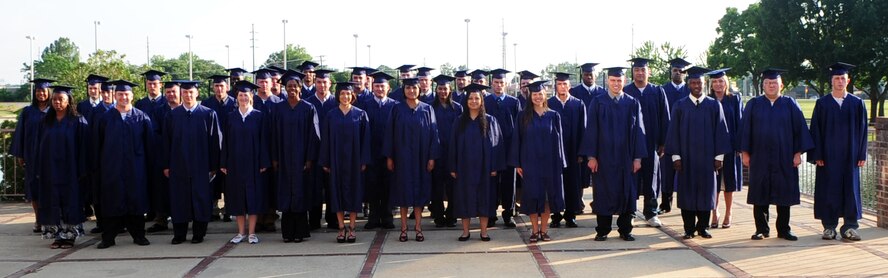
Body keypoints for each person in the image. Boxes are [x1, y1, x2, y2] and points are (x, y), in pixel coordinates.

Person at [740, 68, 814, 241]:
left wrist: (798, 153)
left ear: (781, 84)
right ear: (763, 85)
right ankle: (761, 229)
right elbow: (745, 131)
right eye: (767, 83)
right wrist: (745, 152)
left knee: (784, 194)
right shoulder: (754, 104)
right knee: (760, 194)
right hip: (760, 156)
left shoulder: (790, 104)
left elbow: (800, 131)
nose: (771, 86)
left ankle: (784, 229)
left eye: (774, 83)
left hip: (785, 156)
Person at [664, 66, 731, 239]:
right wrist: (676, 156)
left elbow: (721, 132)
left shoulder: (714, 105)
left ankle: (703, 227)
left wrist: (719, 157)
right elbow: (673, 133)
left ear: (704, 84)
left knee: (706, 192)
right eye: (693, 82)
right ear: (688, 84)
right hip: (686, 159)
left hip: (707, 159)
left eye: (699, 82)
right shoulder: (680, 106)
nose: (696, 85)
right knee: (686, 193)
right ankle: (688, 229)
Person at [580, 67, 646, 242]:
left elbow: (639, 131)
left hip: (626, 158)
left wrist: (638, 158)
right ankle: (602, 230)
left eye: (619, 80)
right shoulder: (598, 102)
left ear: (624, 81)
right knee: (604, 193)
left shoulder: (632, 103)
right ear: (608, 81)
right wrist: (591, 157)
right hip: (604, 158)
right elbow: (591, 130)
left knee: (627, 192)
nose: (616, 84)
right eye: (613, 80)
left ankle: (625, 230)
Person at [808, 62, 868, 241]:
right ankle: (829, 227)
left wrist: (862, 153)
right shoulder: (822, 103)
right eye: (836, 78)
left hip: (850, 157)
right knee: (829, 190)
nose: (840, 81)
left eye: (843, 78)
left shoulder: (857, 103)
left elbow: (863, 130)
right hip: (828, 157)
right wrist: (817, 154)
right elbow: (816, 130)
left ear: (848, 81)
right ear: (831, 81)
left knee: (850, 189)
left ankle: (850, 226)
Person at [94, 80, 153, 249]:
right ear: (115, 96)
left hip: (136, 167)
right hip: (111, 168)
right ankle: (108, 237)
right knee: (112, 201)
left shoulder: (141, 117)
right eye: (120, 94)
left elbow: (149, 145)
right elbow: (98, 144)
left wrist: (148, 167)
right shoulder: (105, 118)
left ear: (132, 96)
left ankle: (139, 235)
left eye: (126, 94)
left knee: (136, 201)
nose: (123, 97)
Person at [162, 80, 222, 244]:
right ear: (181, 94)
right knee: (179, 198)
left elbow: (215, 141)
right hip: (178, 164)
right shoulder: (172, 115)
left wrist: (213, 165)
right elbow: (166, 142)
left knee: (200, 198)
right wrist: (166, 165)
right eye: (185, 92)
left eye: (191, 92)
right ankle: (179, 234)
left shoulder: (208, 114)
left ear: (197, 93)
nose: (188, 95)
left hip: (201, 165)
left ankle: (198, 233)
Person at [383, 77, 440, 242]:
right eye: (408, 88)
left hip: (422, 159)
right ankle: (403, 228)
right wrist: (390, 157)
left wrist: (432, 158)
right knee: (403, 194)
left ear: (419, 90)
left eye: (414, 88)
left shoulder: (427, 109)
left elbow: (434, 135)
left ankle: (418, 227)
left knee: (419, 193)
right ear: (404, 90)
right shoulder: (396, 109)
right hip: (402, 159)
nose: (411, 91)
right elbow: (390, 134)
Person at [509, 80, 565, 242]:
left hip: (550, 163)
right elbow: (517, 140)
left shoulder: (554, 115)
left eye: (540, 94)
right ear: (530, 96)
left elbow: (559, 141)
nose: (538, 97)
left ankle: (544, 230)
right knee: (533, 196)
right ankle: (534, 231)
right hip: (530, 163)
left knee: (547, 197)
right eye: (535, 94)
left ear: (545, 95)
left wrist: (560, 163)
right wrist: (517, 163)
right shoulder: (523, 116)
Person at [35, 85, 88, 249]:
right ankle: (56, 235)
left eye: (61, 99)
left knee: (70, 200)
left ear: (68, 101)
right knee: (51, 200)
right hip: (50, 169)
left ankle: (70, 236)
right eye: (55, 99)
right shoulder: (45, 121)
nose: (57, 102)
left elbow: (84, 147)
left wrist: (82, 169)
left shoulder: (78, 120)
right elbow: (38, 146)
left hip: (70, 169)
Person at [450, 84, 504, 241]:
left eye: (477, 98)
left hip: (485, 168)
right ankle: (465, 231)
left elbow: (497, 145)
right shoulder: (459, 122)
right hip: (464, 167)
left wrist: (495, 166)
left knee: (484, 198)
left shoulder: (491, 121)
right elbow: (452, 145)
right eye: (470, 98)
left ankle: (484, 231)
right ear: (466, 101)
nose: (473, 101)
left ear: (482, 101)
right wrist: (453, 166)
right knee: (464, 198)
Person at [270, 70, 319, 243]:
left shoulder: (308, 108)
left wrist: (309, 158)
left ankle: (300, 232)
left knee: (300, 194)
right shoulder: (277, 109)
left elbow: (313, 135)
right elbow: (273, 135)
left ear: (300, 88)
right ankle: (287, 233)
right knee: (285, 194)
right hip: (283, 159)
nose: (292, 89)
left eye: (295, 86)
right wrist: (275, 158)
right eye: (289, 86)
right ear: (284, 88)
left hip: (301, 159)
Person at [319, 82, 371, 243]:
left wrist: (364, 160)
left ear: (352, 96)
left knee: (354, 193)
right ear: (337, 96)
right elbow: (325, 139)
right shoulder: (331, 115)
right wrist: (326, 160)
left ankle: (353, 227)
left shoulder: (361, 114)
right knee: (337, 193)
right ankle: (341, 227)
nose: (345, 96)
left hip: (354, 161)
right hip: (336, 161)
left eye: (348, 94)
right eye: (342, 94)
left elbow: (366, 140)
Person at [220, 81, 269, 244]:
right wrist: (224, 162)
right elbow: (225, 142)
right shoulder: (230, 117)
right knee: (237, 197)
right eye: (240, 95)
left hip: (254, 164)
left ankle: (252, 232)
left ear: (251, 96)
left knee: (253, 197)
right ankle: (241, 232)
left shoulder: (258, 116)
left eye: (246, 95)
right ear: (237, 97)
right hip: (235, 164)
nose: (243, 98)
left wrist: (263, 161)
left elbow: (264, 140)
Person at [623, 57, 669, 227]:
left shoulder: (657, 91)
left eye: (643, 70)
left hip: (652, 144)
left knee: (652, 178)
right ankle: (630, 211)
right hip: (631, 145)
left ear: (648, 72)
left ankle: (651, 213)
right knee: (631, 178)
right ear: (632, 72)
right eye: (637, 70)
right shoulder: (626, 91)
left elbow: (665, 117)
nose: (640, 73)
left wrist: (663, 142)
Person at [11, 78, 55, 233]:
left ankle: (51, 219)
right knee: (34, 189)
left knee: (50, 188)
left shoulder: (55, 111)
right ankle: (38, 219)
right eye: (38, 91)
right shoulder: (28, 112)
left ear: (49, 92)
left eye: (43, 91)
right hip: (32, 156)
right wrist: (20, 154)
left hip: (51, 158)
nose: (41, 93)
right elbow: (20, 135)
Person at [547, 72, 586, 228]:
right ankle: (555, 215)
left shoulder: (578, 104)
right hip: (554, 152)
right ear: (556, 86)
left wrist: (581, 152)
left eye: (565, 84)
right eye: (559, 84)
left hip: (573, 152)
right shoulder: (548, 103)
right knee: (555, 183)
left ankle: (571, 215)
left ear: (570, 86)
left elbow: (583, 130)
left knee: (572, 184)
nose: (562, 87)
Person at [361, 71, 399, 230]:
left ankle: (387, 217)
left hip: (389, 154)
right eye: (376, 86)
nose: (379, 89)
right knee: (372, 187)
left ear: (388, 88)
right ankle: (373, 218)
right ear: (372, 87)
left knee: (389, 186)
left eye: (382, 86)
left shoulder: (395, 106)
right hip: (371, 153)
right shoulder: (365, 104)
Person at [706, 68, 743, 229]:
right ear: (711, 84)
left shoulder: (734, 99)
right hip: (711, 148)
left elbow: (740, 123)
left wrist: (740, 147)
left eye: (721, 81)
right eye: (715, 81)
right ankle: (715, 212)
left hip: (730, 147)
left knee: (728, 182)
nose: (718, 84)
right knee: (713, 182)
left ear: (726, 83)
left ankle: (728, 213)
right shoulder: (707, 100)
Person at [485, 68, 520, 228]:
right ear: (491, 83)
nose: (499, 85)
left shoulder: (513, 102)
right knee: (490, 182)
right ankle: (490, 214)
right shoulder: (485, 102)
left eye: (501, 83)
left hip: (508, 149)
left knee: (508, 183)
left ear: (506, 84)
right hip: (490, 149)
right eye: (496, 82)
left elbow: (519, 127)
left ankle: (508, 214)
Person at [146, 81, 182, 233]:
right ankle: (161, 220)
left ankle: (182, 219)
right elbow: (155, 133)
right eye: (168, 92)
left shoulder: (186, 110)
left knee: (182, 190)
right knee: (162, 189)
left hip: (184, 157)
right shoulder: (159, 111)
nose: (171, 94)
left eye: (173, 91)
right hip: (164, 155)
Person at [306, 69, 340, 230]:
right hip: (314, 151)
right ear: (315, 83)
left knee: (332, 186)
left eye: (324, 82)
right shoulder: (307, 103)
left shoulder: (337, 102)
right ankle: (314, 220)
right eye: (318, 82)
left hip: (334, 152)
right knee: (314, 187)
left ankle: (333, 220)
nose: (321, 85)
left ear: (330, 84)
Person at [203, 74, 238, 223]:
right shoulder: (206, 104)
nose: (219, 88)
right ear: (213, 88)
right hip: (212, 145)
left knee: (229, 179)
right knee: (213, 178)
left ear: (227, 87)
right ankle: (214, 209)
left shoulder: (235, 103)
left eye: (222, 86)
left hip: (230, 146)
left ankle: (229, 210)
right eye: (216, 86)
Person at [429, 75, 463, 227]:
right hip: (436, 152)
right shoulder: (429, 107)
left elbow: (462, 132)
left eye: (445, 89)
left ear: (450, 90)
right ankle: (438, 215)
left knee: (453, 186)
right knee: (436, 185)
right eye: (440, 88)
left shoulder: (457, 108)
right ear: (436, 90)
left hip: (452, 152)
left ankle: (452, 214)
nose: (443, 91)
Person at [660, 58, 691, 215]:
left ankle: (687, 204)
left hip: (687, 138)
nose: (678, 73)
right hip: (668, 137)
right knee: (667, 172)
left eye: (680, 71)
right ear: (670, 72)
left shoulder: (690, 90)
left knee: (687, 170)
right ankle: (665, 203)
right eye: (675, 70)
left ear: (684, 74)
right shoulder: (663, 90)